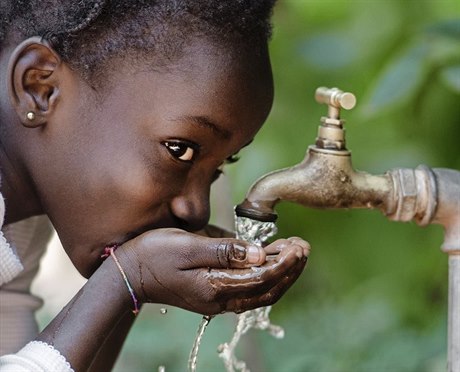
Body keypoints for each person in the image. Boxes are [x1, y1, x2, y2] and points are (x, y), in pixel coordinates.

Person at [0, 1, 310, 371]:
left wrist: (134, 280)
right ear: (40, 87)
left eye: (221, 166)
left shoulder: (19, 216)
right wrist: (127, 278)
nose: (196, 210)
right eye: (180, 150)